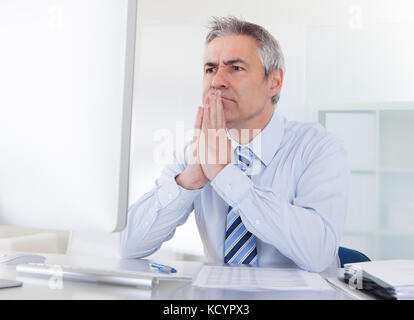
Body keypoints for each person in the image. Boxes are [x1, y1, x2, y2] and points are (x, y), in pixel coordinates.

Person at [120, 16, 348, 272]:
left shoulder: (317, 147)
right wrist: (189, 180)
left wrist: (227, 176)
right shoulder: (195, 151)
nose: (217, 81)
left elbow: (318, 253)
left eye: (235, 68)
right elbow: (129, 245)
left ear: (274, 81)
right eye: (210, 69)